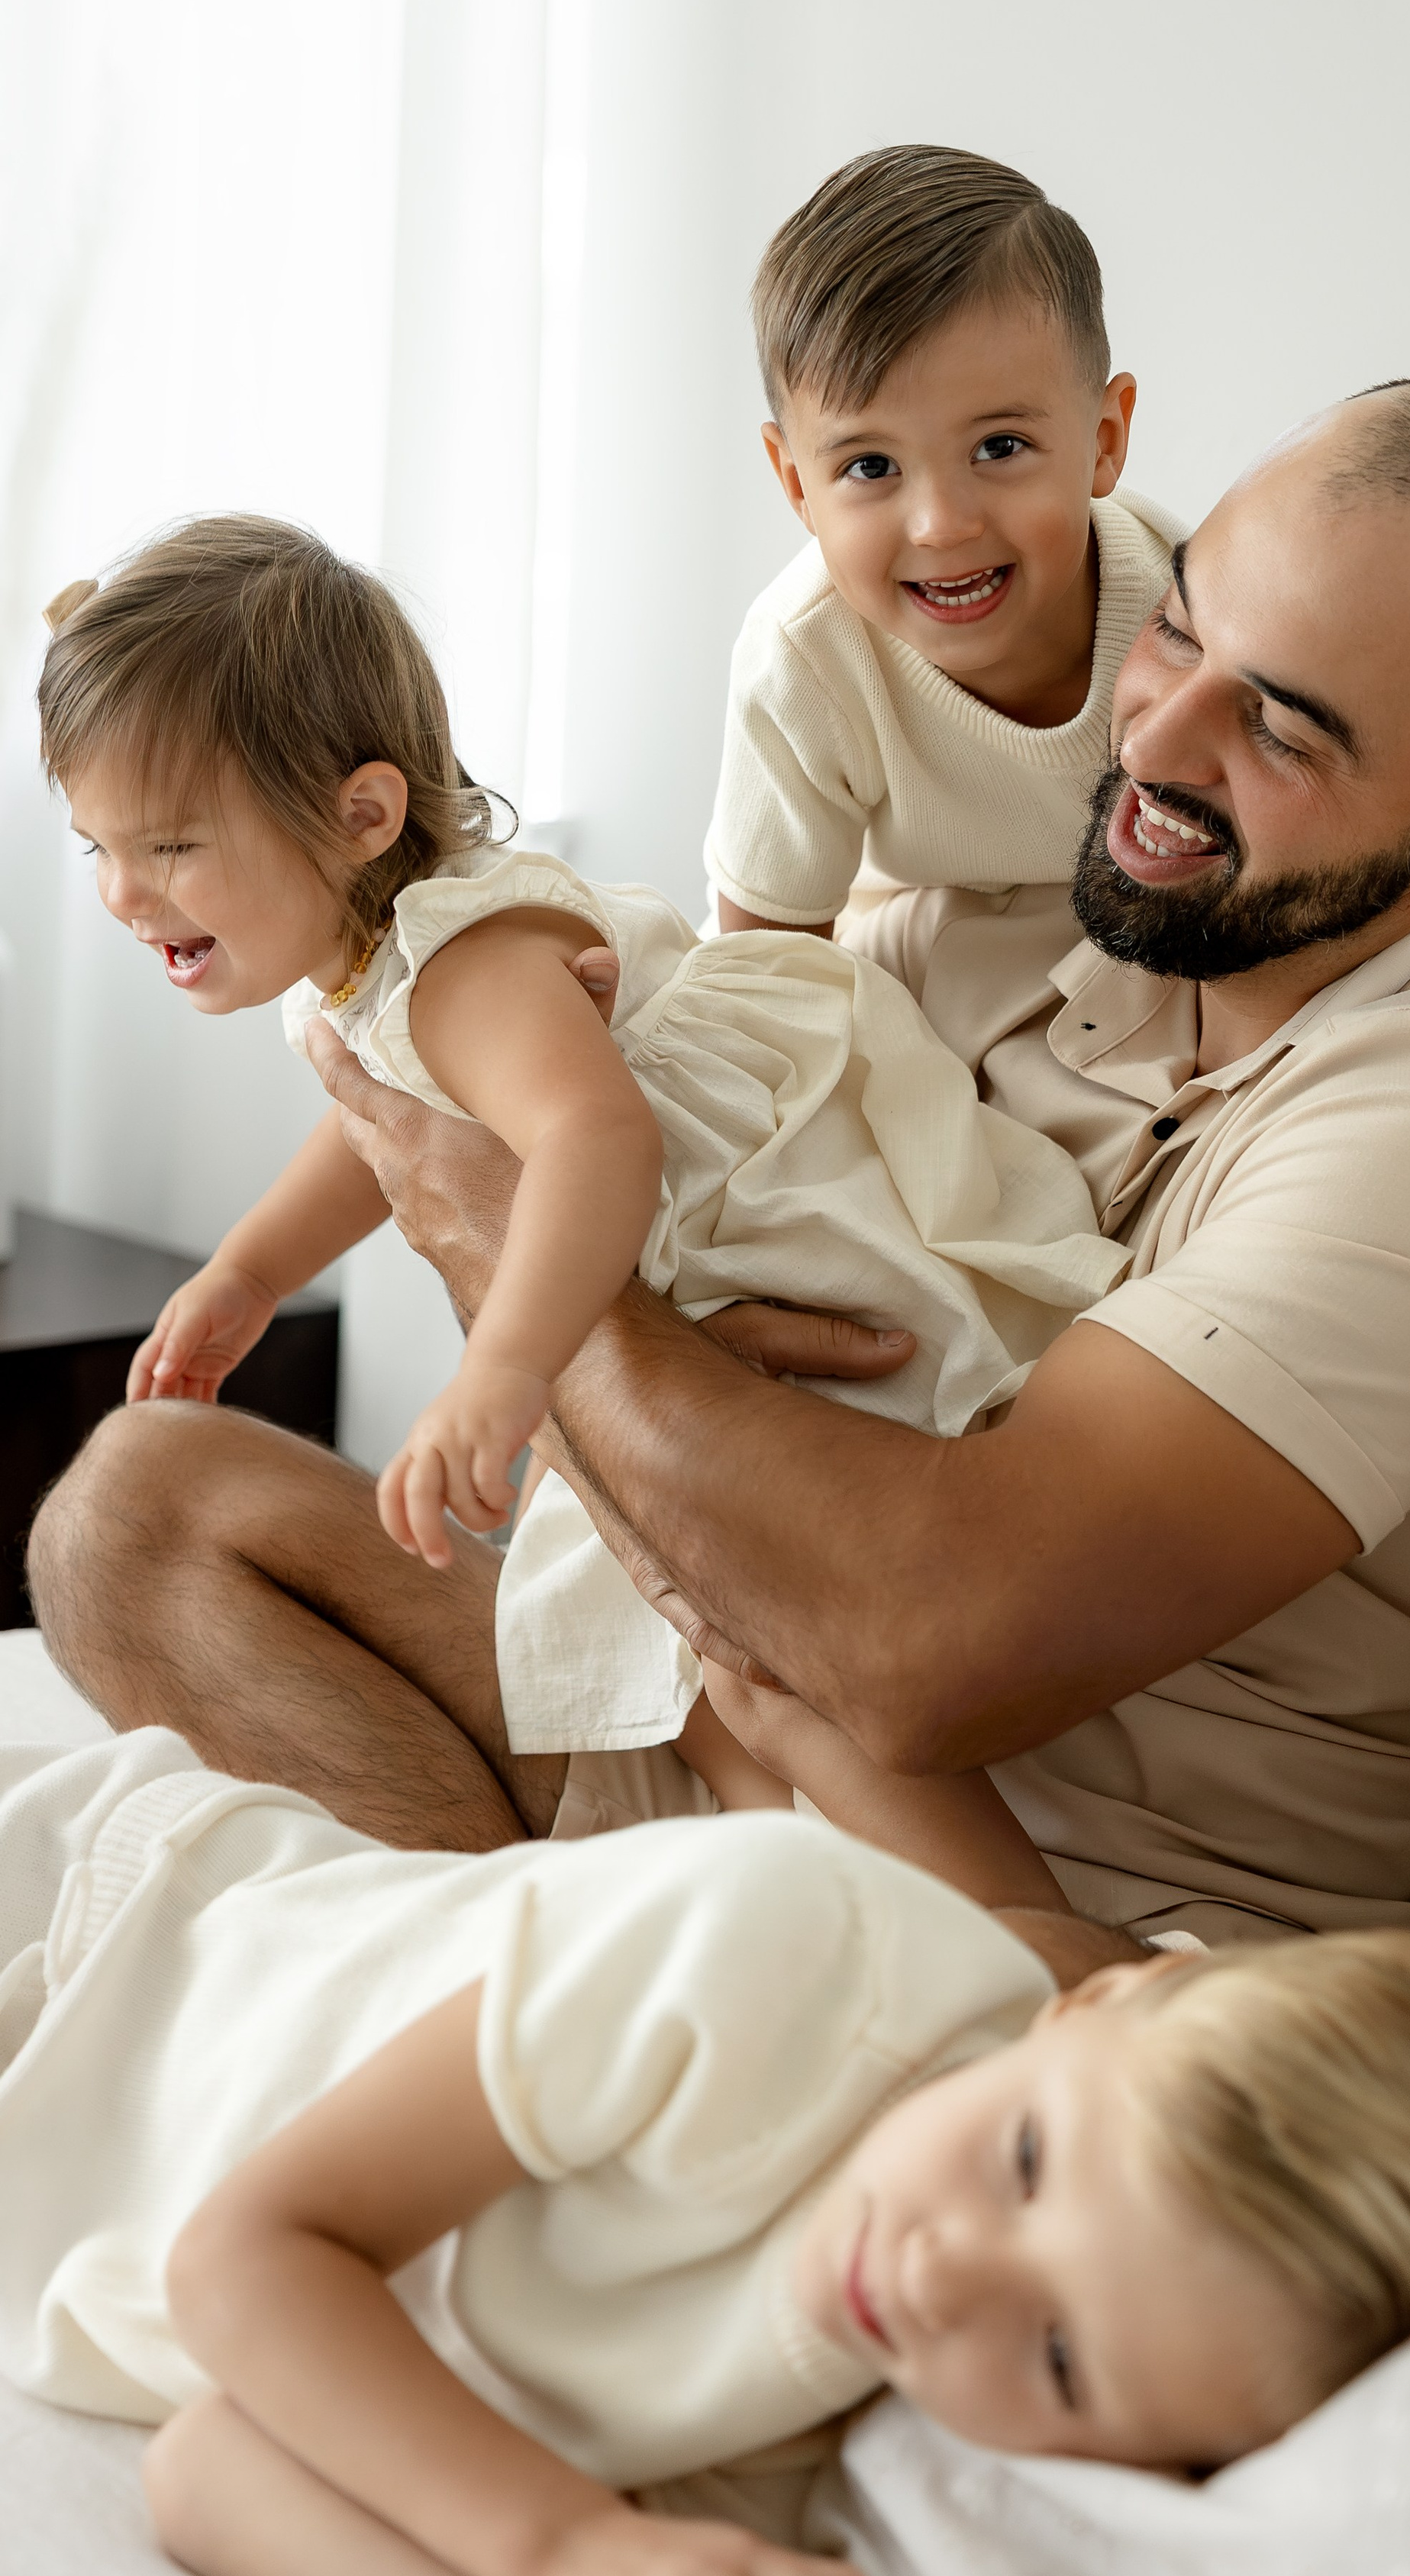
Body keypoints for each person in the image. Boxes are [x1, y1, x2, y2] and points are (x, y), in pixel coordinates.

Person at [34, 374, 1410, 1955]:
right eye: (1173, 629)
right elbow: (646, 1161)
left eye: (1278, 726)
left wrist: (529, 1279)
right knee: (131, 1512)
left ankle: (551, 2010)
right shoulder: (1004, 922)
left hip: (1080, 1925)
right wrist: (674, 1380)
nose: (1156, 733)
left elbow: (922, 1648)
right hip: (736, 1718)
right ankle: (517, 1999)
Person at [37, 517, 1134, 1892]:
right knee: (705, 1666)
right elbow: (381, 1124)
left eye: (171, 846)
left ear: (363, 816)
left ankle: (1004, 1922)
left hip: (802, 1272)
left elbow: (596, 1141)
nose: (123, 894)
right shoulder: (372, 956)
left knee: (758, 1662)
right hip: (694, 1297)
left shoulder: (463, 963)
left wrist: (504, 1371)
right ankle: (793, 1871)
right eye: (95, 847)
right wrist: (250, 1272)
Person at [0, 1732, 1410, 2576]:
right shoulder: (790, 1948)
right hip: (87, 1944)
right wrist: (580, 2553)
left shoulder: (837, 2416)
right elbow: (247, 2263)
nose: (944, 2277)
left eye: (1062, 2359)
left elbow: (212, 2469)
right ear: (1097, 1998)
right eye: (1028, 2161)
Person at [707, 142, 1410, 978]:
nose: (941, 524)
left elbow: (1403, 792)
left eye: (999, 448)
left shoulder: (1182, 611)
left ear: (1104, 440)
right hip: (912, 936)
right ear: (796, 485)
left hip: (1134, 934)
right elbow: (764, 961)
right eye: (870, 467)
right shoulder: (805, 660)